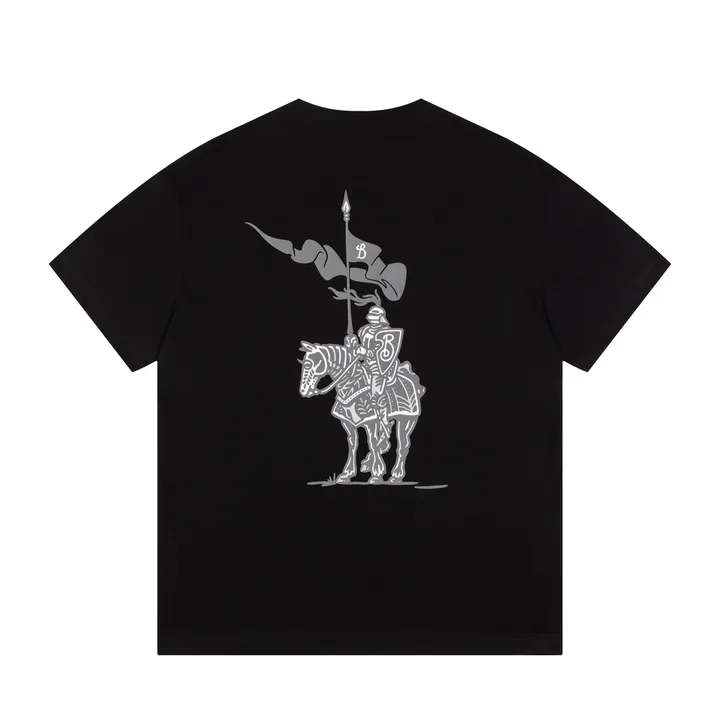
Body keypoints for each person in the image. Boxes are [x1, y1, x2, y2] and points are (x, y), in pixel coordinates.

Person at [345, 306, 400, 439]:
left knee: (377, 395)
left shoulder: (386, 333)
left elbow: (383, 354)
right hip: (366, 365)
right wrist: (353, 346)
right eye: (372, 317)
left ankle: (384, 423)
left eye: (376, 317)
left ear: (381, 319)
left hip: (381, 368)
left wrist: (364, 351)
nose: (373, 320)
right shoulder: (363, 330)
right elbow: (361, 352)